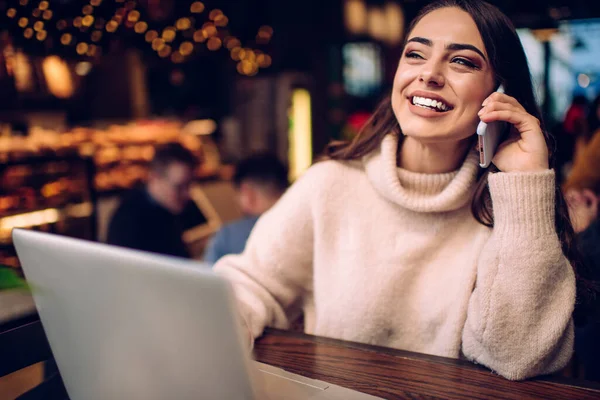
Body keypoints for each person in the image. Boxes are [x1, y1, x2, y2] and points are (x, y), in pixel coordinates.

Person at [215, 0, 580, 381]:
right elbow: (249, 286)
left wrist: (523, 185)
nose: (429, 74)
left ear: (500, 94)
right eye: (415, 54)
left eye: (462, 62)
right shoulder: (330, 184)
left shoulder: (510, 209)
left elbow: (518, 357)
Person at [107, 142, 205, 258]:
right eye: (179, 187)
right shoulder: (128, 222)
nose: (188, 194)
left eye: (189, 185)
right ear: (154, 178)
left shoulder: (172, 207)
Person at [204, 153, 288, 265]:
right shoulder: (305, 227)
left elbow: (207, 278)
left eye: (238, 194)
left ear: (247, 192)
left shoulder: (228, 236)